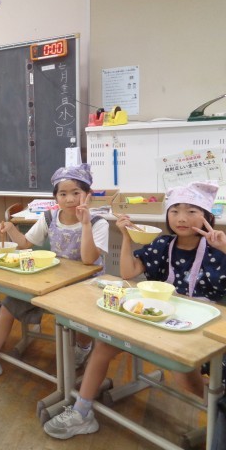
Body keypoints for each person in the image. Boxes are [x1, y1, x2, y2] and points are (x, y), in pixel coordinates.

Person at [43, 181, 226, 440]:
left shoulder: (218, 250)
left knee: (185, 377)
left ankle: (218, 410)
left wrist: (224, 248)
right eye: (175, 211)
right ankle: (82, 412)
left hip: (197, 326)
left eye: (191, 211)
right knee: (103, 344)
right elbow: (128, 272)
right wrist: (127, 237)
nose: (182, 218)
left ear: (207, 215)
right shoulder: (162, 244)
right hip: (155, 316)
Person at [0, 163, 108, 382]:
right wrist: (11, 228)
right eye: (63, 194)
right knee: (8, 305)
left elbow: (88, 260)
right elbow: (26, 244)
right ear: (56, 197)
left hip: (85, 286)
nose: (69, 199)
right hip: (52, 281)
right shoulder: (50, 217)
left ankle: (83, 348)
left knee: (79, 318)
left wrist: (84, 224)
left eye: (76, 193)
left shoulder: (97, 223)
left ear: (88, 195)